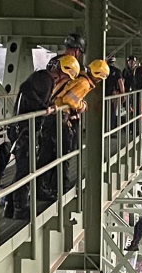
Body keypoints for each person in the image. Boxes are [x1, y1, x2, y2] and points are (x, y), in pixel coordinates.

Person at [3, 56, 80, 220]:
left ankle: (11, 206)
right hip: (24, 130)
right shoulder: (44, 78)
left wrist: (45, 107)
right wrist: (44, 108)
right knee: (25, 170)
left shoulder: (43, 78)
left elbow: (26, 91)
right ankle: (19, 208)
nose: (66, 80)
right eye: (67, 76)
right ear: (63, 72)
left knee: (25, 169)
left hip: (24, 129)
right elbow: (27, 91)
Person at [38, 58, 110, 199]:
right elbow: (69, 100)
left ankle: (43, 185)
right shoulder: (84, 83)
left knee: (48, 153)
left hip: (53, 116)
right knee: (63, 153)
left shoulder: (80, 78)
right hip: (57, 118)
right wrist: (81, 106)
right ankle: (59, 187)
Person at [105, 56, 125, 129]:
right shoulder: (117, 71)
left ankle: (104, 127)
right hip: (113, 94)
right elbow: (121, 84)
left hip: (104, 94)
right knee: (112, 111)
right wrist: (123, 95)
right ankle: (111, 127)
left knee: (104, 111)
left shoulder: (103, 70)